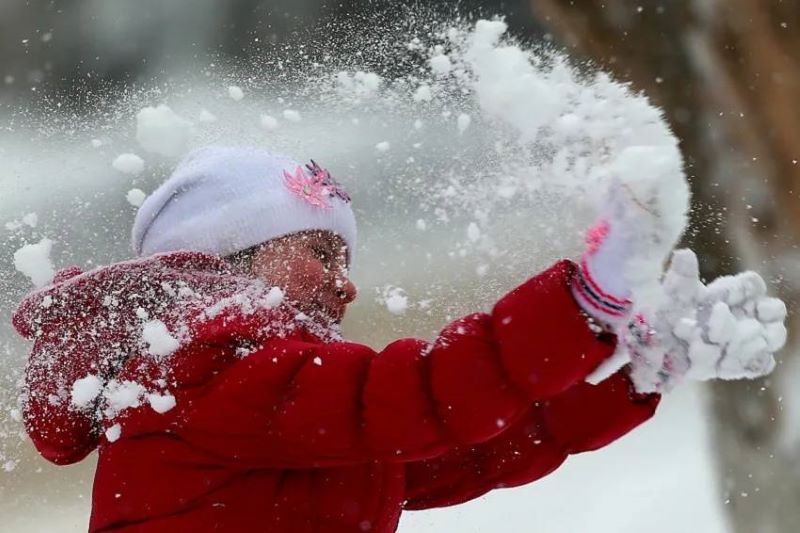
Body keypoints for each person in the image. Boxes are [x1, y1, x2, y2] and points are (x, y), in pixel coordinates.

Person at [12, 146, 785, 532]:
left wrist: (634, 373)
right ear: (226, 259)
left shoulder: (277, 401)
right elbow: (426, 392)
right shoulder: (208, 369)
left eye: (346, 260)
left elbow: (472, 444)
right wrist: (585, 303)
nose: (346, 284)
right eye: (320, 252)